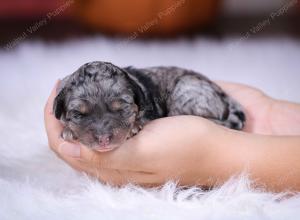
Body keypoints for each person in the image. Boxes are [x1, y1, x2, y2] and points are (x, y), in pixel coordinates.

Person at [44, 81, 300, 192]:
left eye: (118, 110)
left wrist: (217, 156)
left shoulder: (142, 97)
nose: (102, 135)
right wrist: (269, 114)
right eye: (81, 114)